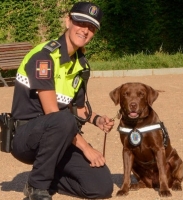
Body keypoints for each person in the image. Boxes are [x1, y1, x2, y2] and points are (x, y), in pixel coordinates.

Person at [10, 2, 114, 200]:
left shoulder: (81, 65)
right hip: (26, 137)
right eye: (80, 23)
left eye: (91, 28)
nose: (85, 31)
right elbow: (53, 112)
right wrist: (86, 147)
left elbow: (79, 109)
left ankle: (48, 176)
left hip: (60, 136)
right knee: (64, 120)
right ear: (68, 21)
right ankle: (36, 187)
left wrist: (97, 119)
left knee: (101, 186)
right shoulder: (45, 57)